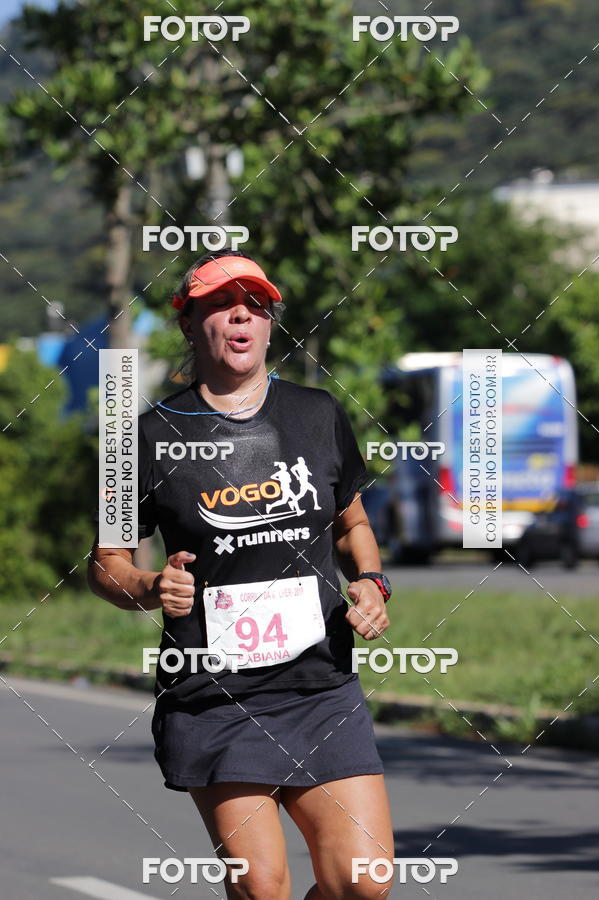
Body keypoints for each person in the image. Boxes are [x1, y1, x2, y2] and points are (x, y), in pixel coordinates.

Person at [88, 248, 395, 900]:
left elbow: (354, 526)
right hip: (216, 696)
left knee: (362, 882)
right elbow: (105, 564)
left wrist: (371, 582)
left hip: (320, 688)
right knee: (262, 887)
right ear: (189, 320)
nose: (242, 315)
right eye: (223, 303)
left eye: (255, 303)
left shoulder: (318, 414)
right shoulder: (138, 440)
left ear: (268, 323)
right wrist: (147, 586)